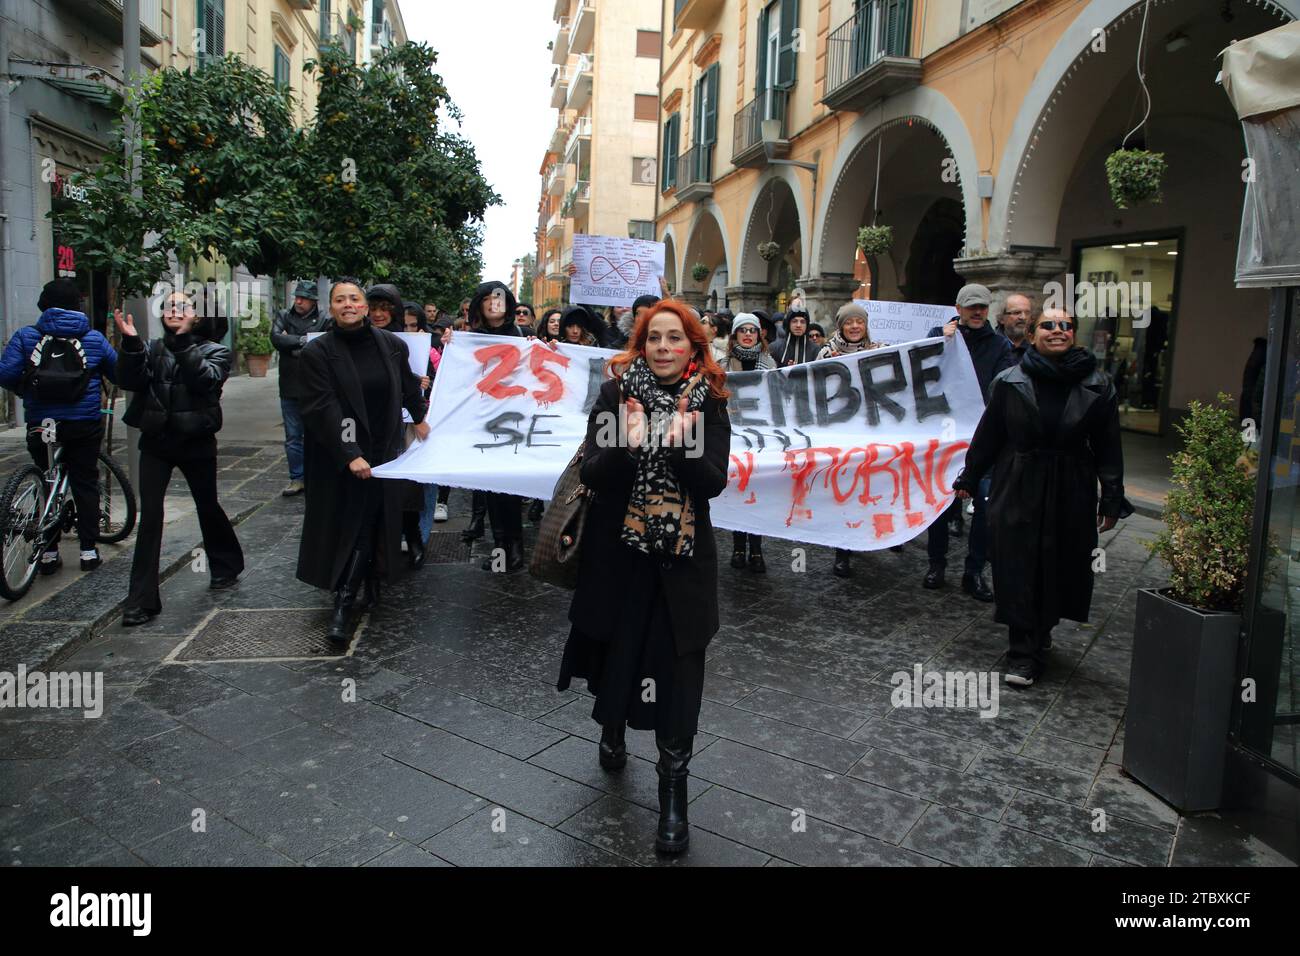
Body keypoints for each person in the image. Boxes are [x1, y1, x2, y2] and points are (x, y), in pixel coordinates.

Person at [558, 298, 731, 855]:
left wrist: (680, 445)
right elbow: (594, 474)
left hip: (681, 565)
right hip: (619, 555)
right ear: (641, 344)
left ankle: (673, 796)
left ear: (692, 347)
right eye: (654, 338)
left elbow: (711, 484)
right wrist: (628, 444)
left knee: (678, 674)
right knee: (617, 651)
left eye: (674, 339)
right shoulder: (616, 395)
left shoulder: (709, 405)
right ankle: (612, 726)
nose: (663, 348)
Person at [953, 308, 1133, 686]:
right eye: (1048, 325)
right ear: (1033, 334)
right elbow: (989, 435)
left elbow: (1108, 446)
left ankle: (1042, 627)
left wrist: (1112, 496)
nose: (1058, 331)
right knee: (1017, 565)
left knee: (1060, 564)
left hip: (1071, 487)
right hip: (1018, 482)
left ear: (1074, 335)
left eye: (1065, 325)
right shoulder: (1009, 380)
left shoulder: (1099, 384)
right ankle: (1022, 652)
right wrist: (969, 475)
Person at [296, 278, 429, 642]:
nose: (348, 304)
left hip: (382, 451)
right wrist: (350, 453)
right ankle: (348, 594)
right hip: (339, 456)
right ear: (332, 308)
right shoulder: (317, 353)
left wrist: (421, 420)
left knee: (369, 521)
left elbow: (407, 387)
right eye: (340, 299)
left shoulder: (392, 346)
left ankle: (348, 597)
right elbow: (323, 407)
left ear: (366, 307)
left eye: (354, 298)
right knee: (349, 522)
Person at [113, 292, 243, 625]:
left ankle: (226, 563)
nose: (174, 310)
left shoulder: (216, 351)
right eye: (169, 305)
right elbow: (130, 382)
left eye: (183, 306)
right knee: (151, 517)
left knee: (207, 504)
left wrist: (183, 342)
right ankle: (141, 600)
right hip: (156, 441)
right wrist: (129, 346)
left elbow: (205, 381)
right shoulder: (154, 348)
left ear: (198, 316)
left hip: (196, 440)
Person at [0, 278, 117, 574]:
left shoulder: (27, 336)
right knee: (85, 482)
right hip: (83, 423)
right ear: (78, 305)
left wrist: (25, 390)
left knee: (44, 479)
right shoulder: (93, 338)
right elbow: (119, 371)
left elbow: (5, 373)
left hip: (41, 422)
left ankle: (49, 554)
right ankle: (88, 552)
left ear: (44, 305)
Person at [924, 283, 1014, 600]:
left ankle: (974, 571)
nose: (977, 312)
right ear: (959, 309)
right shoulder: (940, 334)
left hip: (983, 437)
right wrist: (941, 342)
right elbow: (921, 373)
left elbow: (1002, 388)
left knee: (986, 506)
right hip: (946, 437)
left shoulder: (1000, 346)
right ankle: (936, 563)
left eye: (983, 307)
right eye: (971, 307)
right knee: (940, 503)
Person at [816, 303, 885, 577]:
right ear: (840, 326)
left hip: (870, 433)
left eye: (860, 322)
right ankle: (841, 550)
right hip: (840, 434)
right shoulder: (825, 353)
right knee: (844, 491)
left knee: (866, 491)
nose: (855, 326)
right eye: (849, 322)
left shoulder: (881, 350)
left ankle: (864, 539)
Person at [724, 314, 775, 574]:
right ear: (734, 335)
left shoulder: (769, 363)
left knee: (757, 493)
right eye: (742, 330)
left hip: (761, 438)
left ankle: (756, 548)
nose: (747, 334)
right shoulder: (722, 363)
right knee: (738, 491)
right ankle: (737, 546)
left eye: (752, 330)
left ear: (759, 334)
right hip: (732, 437)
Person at [271, 281, 329, 498]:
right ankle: (297, 478)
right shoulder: (284, 315)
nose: (298, 301)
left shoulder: (324, 319)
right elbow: (277, 338)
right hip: (289, 386)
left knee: (317, 435)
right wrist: (304, 341)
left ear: (313, 300)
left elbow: (322, 344)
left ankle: (317, 476)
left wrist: (293, 344)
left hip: (315, 387)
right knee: (293, 436)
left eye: (303, 298)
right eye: (297, 297)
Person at [998, 293, 1033, 366]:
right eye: (1017, 313)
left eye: (1027, 313)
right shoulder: (992, 345)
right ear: (1001, 318)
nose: (1023, 317)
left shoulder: (1037, 346)